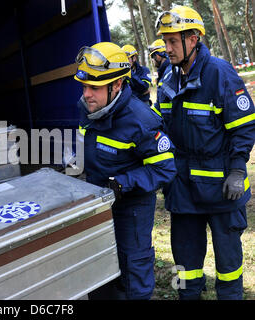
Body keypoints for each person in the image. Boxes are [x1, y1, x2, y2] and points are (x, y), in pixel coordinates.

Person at [155, 6, 255, 300]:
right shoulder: (168, 79)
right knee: (184, 269)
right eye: (166, 41)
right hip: (183, 191)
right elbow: (161, 128)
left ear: (194, 38)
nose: (167, 48)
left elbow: (244, 127)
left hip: (223, 190)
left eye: (174, 41)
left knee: (228, 267)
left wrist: (238, 170)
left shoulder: (220, 74)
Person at [74, 42, 177, 299]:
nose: (86, 94)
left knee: (132, 273)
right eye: (84, 86)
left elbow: (165, 168)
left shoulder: (141, 121)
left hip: (130, 209)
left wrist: (123, 183)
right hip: (97, 204)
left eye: (94, 87)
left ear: (117, 85)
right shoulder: (88, 108)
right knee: (99, 269)